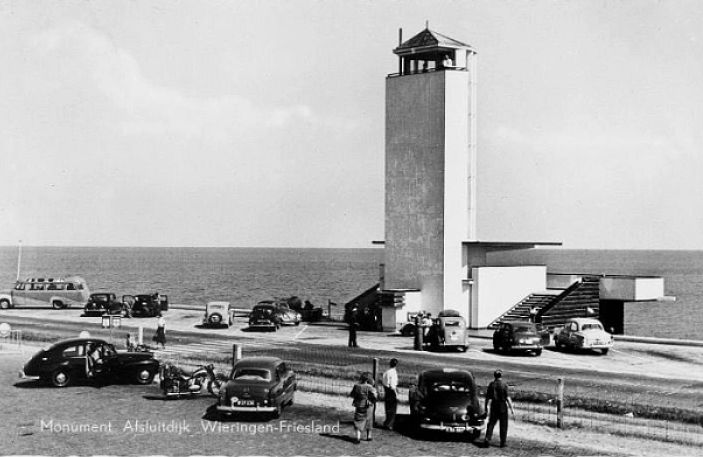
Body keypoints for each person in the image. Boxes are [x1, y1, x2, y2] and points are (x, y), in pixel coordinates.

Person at [484, 369, 515, 448]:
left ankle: (487, 438)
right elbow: (508, 398)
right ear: (501, 375)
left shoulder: (491, 384)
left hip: (494, 405)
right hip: (502, 406)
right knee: (503, 425)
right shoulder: (504, 385)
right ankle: (503, 442)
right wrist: (512, 409)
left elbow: (487, 398)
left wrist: (486, 407)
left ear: (494, 376)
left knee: (491, 423)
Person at [349, 372, 377, 443]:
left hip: (359, 405)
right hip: (368, 405)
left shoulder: (356, 386)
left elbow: (352, 395)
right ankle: (369, 436)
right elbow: (375, 396)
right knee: (369, 419)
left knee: (358, 420)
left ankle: (358, 438)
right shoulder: (370, 387)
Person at [381, 358, 399, 430]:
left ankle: (387, 422)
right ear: (396, 365)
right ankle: (389, 424)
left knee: (388, 407)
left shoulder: (386, 372)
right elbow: (392, 385)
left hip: (386, 390)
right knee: (392, 409)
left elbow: (383, 382)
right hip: (391, 391)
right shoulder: (393, 373)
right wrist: (396, 393)